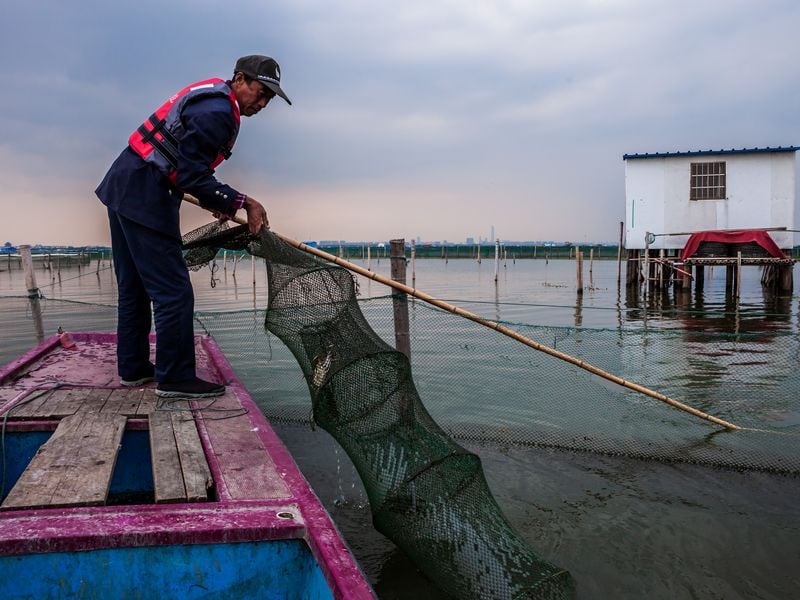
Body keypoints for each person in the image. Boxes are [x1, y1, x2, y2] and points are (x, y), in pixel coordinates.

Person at [96, 55, 291, 398]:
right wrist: (243, 202)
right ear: (240, 79)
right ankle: (174, 378)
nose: (261, 104)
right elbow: (191, 176)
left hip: (125, 182)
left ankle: (134, 368)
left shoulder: (213, 98)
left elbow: (189, 170)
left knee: (136, 288)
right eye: (260, 93)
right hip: (143, 193)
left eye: (268, 99)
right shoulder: (217, 112)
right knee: (174, 294)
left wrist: (219, 199)